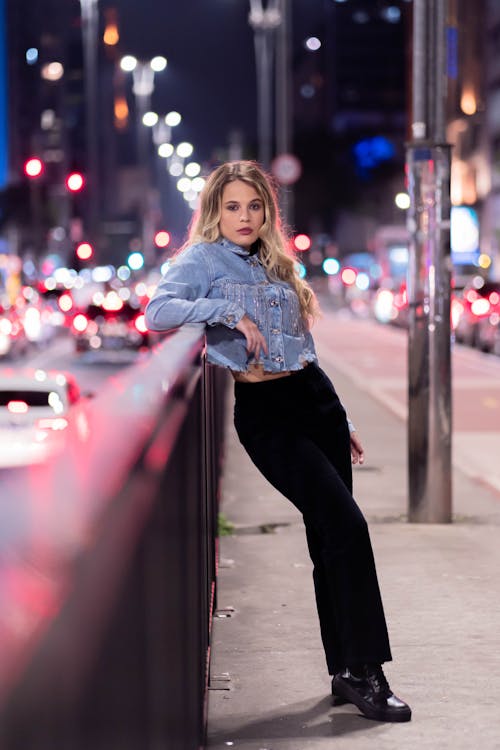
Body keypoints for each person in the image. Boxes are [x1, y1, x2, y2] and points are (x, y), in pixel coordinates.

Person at [145, 160, 411, 723]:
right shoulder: (200, 260)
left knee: (328, 538)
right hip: (266, 413)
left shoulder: (277, 263)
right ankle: (369, 671)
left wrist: (344, 419)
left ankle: (345, 669)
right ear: (215, 210)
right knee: (348, 527)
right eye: (233, 206)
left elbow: (304, 347)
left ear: (268, 210)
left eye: (255, 205)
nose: (245, 217)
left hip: (314, 401)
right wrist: (227, 311)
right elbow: (158, 311)